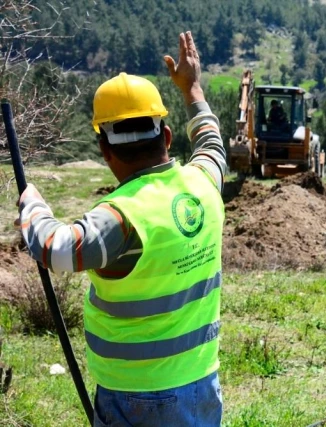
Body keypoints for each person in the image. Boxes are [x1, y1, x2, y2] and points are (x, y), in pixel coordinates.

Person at [16, 31, 225, 426]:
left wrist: (32, 204)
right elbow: (212, 142)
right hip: (201, 382)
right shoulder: (205, 182)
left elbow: (56, 249)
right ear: (165, 135)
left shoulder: (121, 216)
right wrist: (192, 88)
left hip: (136, 395)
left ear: (104, 149)